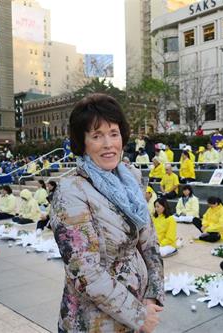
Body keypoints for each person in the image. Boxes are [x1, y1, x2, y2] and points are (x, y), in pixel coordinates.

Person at [50, 93, 164, 332]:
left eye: (114, 133)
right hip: (94, 322)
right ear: (82, 142)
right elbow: (85, 272)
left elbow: (149, 242)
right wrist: (138, 315)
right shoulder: (71, 191)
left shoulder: (130, 178)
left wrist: (152, 296)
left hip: (139, 311)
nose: (108, 144)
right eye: (97, 136)